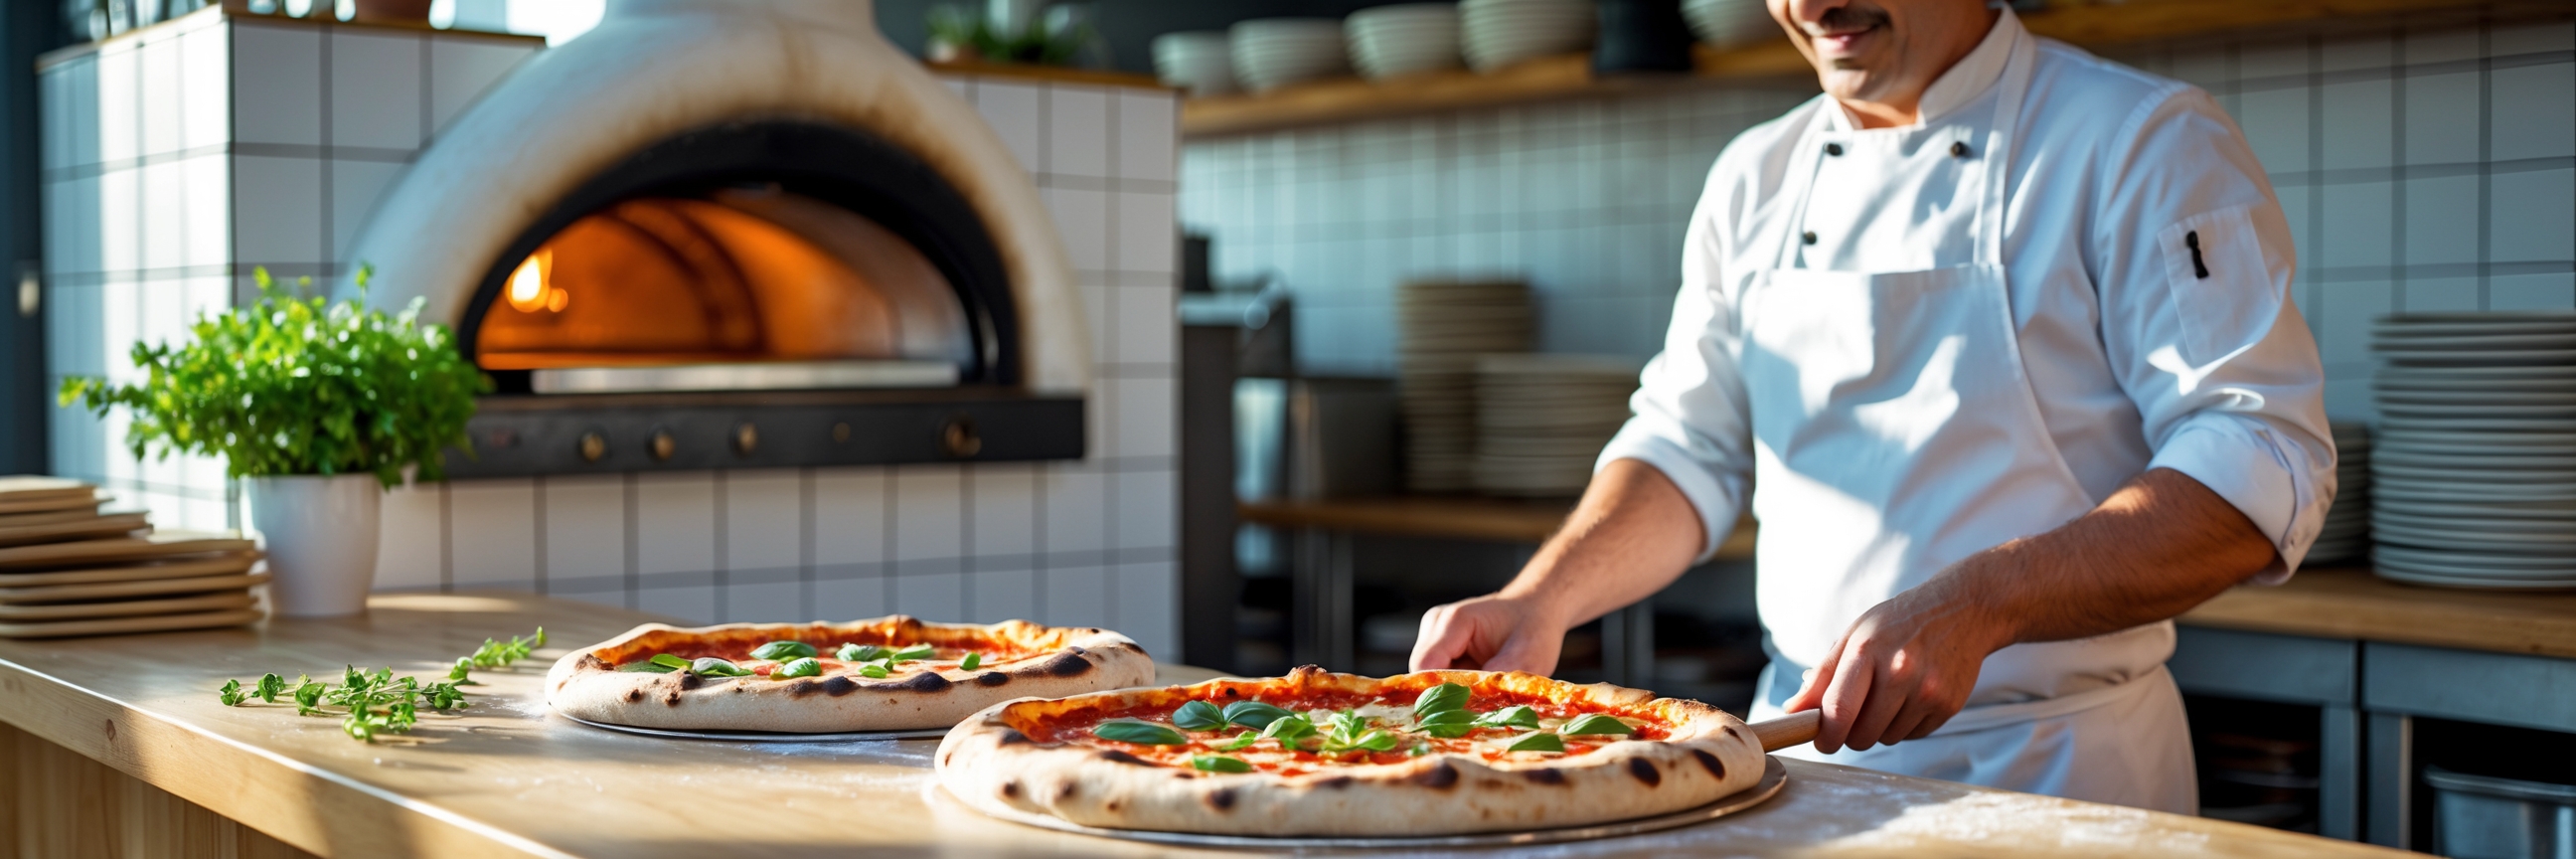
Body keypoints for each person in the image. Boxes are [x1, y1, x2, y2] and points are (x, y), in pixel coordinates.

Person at [1408, 0, 2333, 813]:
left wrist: (1984, 601)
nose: (1812, 3)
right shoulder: (1755, 175)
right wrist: (1544, 597)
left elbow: (2262, 462)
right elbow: (1691, 444)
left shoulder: (2140, 139)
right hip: (1795, 764)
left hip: (2057, 775)